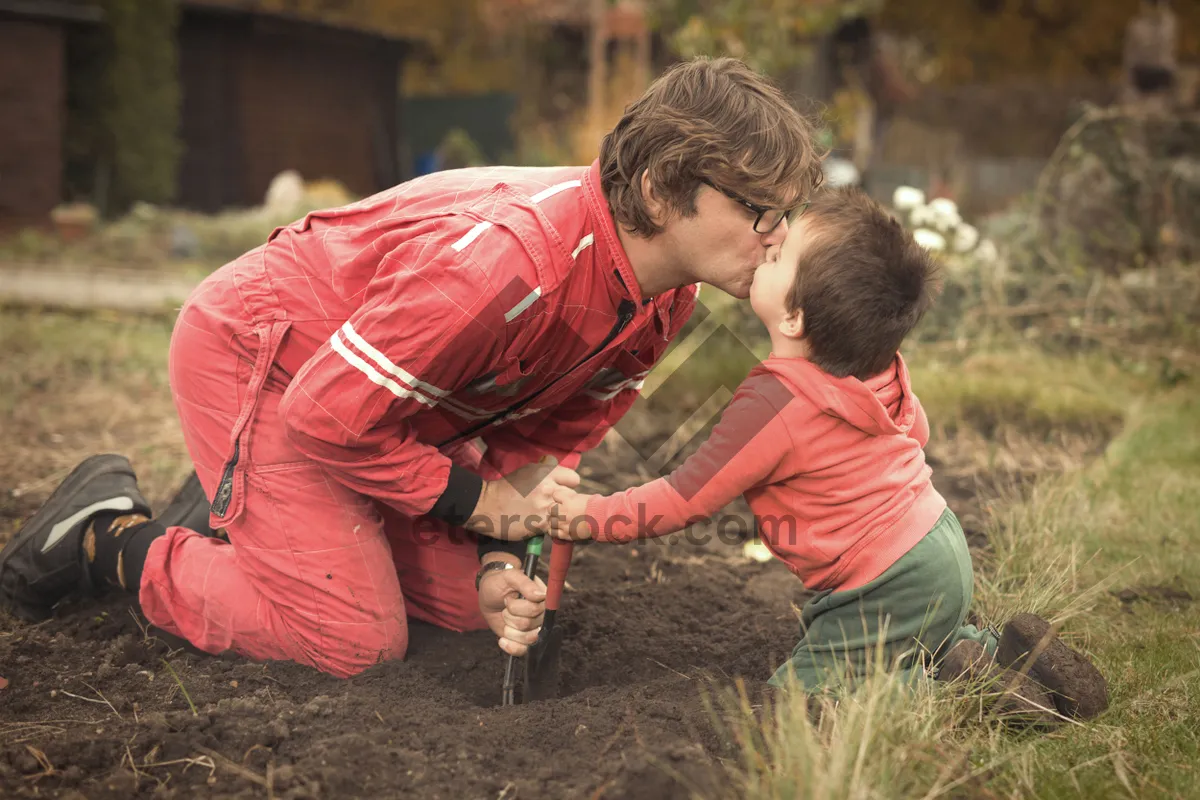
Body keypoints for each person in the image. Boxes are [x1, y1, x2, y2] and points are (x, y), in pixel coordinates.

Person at [0, 57, 823, 679]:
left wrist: (503, 559)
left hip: (390, 412)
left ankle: (245, 511)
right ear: (658, 190)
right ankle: (105, 535)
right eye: (758, 210)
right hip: (273, 362)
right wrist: (478, 504)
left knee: (472, 615)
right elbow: (324, 415)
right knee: (352, 639)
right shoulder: (508, 270)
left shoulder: (663, 300)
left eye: (785, 214)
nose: (777, 236)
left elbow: (543, 445)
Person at [548, 188, 1108, 721]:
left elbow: (684, 498)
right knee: (916, 637)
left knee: (801, 701)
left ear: (794, 318)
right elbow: (918, 433)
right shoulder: (877, 366)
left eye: (781, 257)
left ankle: (954, 690)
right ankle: (998, 656)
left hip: (883, 578)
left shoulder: (773, 403)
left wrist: (589, 518)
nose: (771, 242)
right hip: (939, 542)